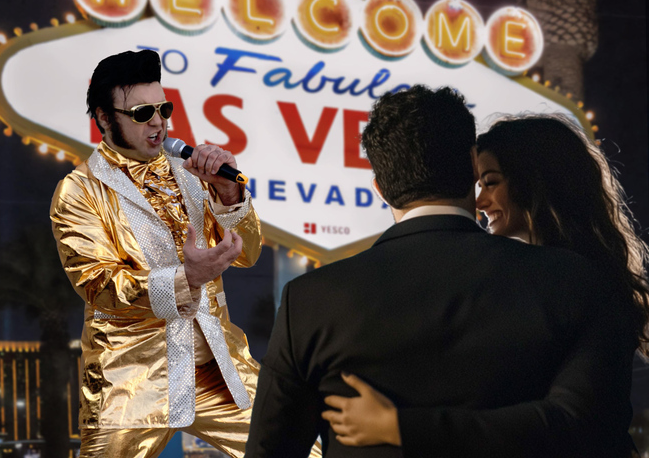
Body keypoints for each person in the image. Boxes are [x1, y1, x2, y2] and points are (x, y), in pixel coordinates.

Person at [245, 86, 637, 458]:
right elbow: (586, 426)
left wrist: (404, 427)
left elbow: (269, 449)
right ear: (472, 164)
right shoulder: (572, 280)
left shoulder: (308, 300)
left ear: (380, 188)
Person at [50, 50, 266, 458]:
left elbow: (248, 254)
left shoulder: (191, 171)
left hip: (219, 370)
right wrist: (187, 279)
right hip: (131, 381)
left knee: (302, 448)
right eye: (142, 112)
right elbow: (99, 286)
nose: (158, 122)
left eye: (164, 108)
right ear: (104, 118)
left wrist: (228, 192)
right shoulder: (79, 191)